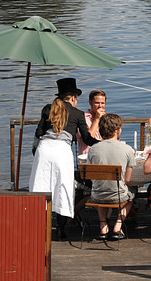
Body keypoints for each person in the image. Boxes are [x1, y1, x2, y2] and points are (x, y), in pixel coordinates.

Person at [29, 78, 100, 240]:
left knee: (41, 187)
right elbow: (87, 139)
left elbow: (39, 133)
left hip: (44, 150)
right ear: (74, 98)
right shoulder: (78, 114)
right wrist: (103, 143)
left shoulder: (48, 109)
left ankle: (38, 225)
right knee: (63, 189)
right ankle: (60, 229)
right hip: (62, 152)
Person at [86, 113, 136, 240]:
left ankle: (103, 226)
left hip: (97, 196)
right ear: (116, 130)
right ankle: (117, 226)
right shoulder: (127, 149)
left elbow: (91, 176)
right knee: (132, 194)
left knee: (101, 187)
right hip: (118, 196)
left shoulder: (93, 149)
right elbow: (128, 180)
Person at [78, 89, 106, 155]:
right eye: (97, 103)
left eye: (102, 103)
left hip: (103, 155)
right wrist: (97, 119)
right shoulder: (82, 118)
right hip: (87, 156)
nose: (100, 106)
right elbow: (88, 139)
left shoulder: (107, 118)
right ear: (90, 103)